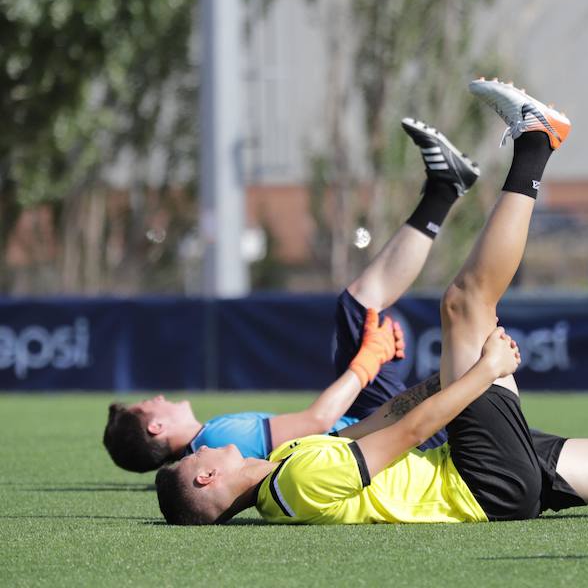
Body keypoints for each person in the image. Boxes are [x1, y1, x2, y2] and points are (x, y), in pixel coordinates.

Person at [154, 79, 588, 527]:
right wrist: (476, 374)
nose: (207, 445)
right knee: (466, 306)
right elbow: (404, 440)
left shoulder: (291, 474)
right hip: (482, 483)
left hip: (495, 479)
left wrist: (440, 385)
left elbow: (377, 425)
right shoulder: (296, 480)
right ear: (209, 477)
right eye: (198, 459)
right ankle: (536, 141)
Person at [102, 118, 481, 472]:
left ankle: (443, 187)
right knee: (359, 305)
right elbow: (318, 422)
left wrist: (371, 358)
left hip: (370, 424)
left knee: (362, 309)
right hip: (377, 433)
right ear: (156, 428)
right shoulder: (216, 439)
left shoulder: (210, 441)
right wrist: (368, 361)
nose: (157, 398)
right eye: (148, 406)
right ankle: (446, 188)